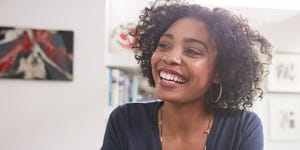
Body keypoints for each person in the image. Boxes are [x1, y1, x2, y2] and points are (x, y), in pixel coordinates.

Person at [101, 0, 272, 150]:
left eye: (192, 51)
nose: (169, 58)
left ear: (219, 72)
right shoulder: (126, 120)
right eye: (164, 45)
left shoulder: (242, 127)